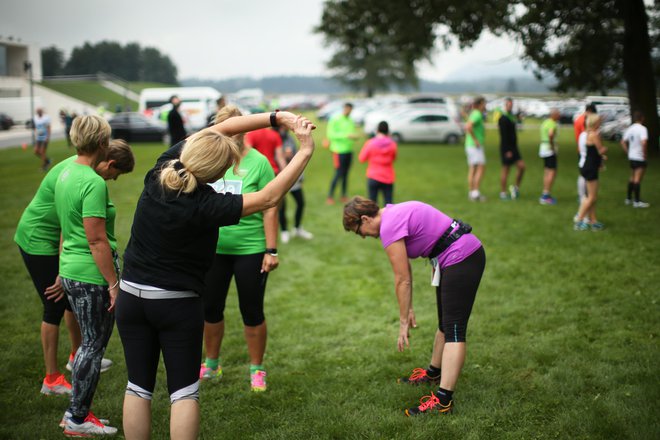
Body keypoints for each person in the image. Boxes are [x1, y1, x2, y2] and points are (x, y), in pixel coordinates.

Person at [115, 111, 316, 440]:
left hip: (130, 296)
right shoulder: (207, 205)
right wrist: (304, 150)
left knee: (138, 386)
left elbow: (221, 128)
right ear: (219, 171)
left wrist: (277, 117)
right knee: (183, 393)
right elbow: (269, 197)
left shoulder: (161, 170)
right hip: (175, 304)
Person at [343, 197, 485, 416]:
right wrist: (407, 308)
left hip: (462, 257)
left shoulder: (388, 226)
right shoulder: (391, 212)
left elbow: (402, 279)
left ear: (365, 218)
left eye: (358, 230)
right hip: (453, 256)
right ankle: (433, 373)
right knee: (445, 325)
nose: (362, 236)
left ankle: (443, 401)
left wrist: (402, 323)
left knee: (455, 331)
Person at [14, 139, 133, 399]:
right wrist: (61, 269)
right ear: (110, 163)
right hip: (38, 238)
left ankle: (77, 356)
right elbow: (65, 225)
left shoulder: (84, 168)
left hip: (57, 237)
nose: (112, 181)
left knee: (69, 299)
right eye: (115, 176)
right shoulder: (80, 175)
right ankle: (52, 379)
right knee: (54, 303)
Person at [55, 116, 133, 436]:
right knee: (92, 346)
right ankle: (77, 418)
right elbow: (96, 240)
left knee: (88, 344)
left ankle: (74, 412)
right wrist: (113, 284)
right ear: (102, 143)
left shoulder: (65, 171)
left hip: (71, 268)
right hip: (90, 275)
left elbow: (66, 228)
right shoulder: (91, 181)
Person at [200, 106, 279, 392]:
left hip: (251, 249)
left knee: (252, 310)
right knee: (210, 308)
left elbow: (270, 208)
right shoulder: (209, 160)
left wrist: (271, 250)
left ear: (245, 128)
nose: (232, 133)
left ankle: (257, 368)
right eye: (226, 127)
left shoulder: (259, 163)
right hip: (213, 249)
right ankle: (211, 363)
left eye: (236, 127)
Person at [277, 125, 314, 242]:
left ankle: (297, 228)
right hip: (278, 177)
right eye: (282, 127)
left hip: (293, 176)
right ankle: (284, 231)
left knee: (301, 203)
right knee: (282, 206)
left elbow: (298, 156)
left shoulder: (289, 139)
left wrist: (300, 175)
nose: (284, 129)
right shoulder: (274, 138)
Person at [574, 114, 607, 231]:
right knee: (591, 197)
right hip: (591, 168)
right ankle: (579, 220)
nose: (600, 123)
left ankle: (593, 221)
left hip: (587, 166)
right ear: (595, 123)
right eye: (599, 122)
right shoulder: (594, 135)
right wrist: (605, 150)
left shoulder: (587, 133)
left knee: (591, 196)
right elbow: (601, 150)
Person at [358, 120, 397, 205]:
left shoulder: (370, 143)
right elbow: (393, 158)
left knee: (372, 205)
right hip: (387, 176)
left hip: (373, 175)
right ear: (387, 131)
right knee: (389, 204)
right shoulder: (392, 144)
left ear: (377, 130)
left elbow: (361, 158)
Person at [326, 102, 357, 205]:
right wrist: (346, 136)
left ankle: (343, 195)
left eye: (350, 109)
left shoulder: (350, 120)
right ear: (344, 108)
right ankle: (330, 196)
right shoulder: (335, 119)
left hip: (348, 150)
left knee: (346, 174)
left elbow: (351, 133)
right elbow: (330, 135)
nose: (349, 111)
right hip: (338, 151)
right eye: (347, 109)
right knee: (338, 173)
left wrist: (354, 137)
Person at [497, 98, 525, 200]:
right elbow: (503, 136)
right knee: (506, 170)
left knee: (522, 167)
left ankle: (515, 187)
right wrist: (507, 150)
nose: (510, 106)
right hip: (506, 148)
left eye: (511, 105)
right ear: (505, 105)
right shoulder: (503, 118)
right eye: (508, 105)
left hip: (514, 148)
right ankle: (503, 192)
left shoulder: (511, 117)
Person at [621, 111, 650, 208]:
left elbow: (623, 142)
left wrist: (628, 152)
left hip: (632, 156)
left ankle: (629, 198)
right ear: (642, 118)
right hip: (639, 156)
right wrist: (644, 154)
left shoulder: (630, 128)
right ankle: (637, 202)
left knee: (632, 177)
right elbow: (644, 142)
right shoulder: (643, 129)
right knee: (637, 179)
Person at [573, 104, 597, 204]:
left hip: (581, 148)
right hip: (586, 151)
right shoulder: (585, 121)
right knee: (585, 175)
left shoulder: (578, 119)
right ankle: (583, 195)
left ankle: (583, 195)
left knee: (583, 173)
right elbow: (589, 137)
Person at [464, 97, 487, 202]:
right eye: (484, 103)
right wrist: (476, 140)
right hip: (475, 146)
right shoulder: (477, 114)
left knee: (473, 168)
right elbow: (468, 127)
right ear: (480, 104)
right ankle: (476, 193)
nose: (485, 105)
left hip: (469, 145)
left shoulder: (473, 113)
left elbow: (467, 125)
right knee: (481, 168)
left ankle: (472, 193)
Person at [538, 109, 561, 205]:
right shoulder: (552, 123)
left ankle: (545, 192)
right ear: (554, 115)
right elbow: (551, 134)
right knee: (552, 171)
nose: (560, 116)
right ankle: (546, 195)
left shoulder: (545, 122)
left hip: (543, 147)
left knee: (547, 171)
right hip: (549, 149)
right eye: (558, 114)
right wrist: (552, 147)